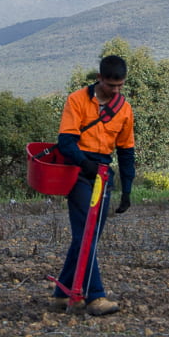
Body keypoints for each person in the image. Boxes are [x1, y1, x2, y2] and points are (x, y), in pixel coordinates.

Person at [49, 54, 136, 316]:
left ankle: (61, 294)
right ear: (99, 78)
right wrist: (85, 164)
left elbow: (126, 151)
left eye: (120, 86)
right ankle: (95, 297)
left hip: (103, 174)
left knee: (89, 236)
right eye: (111, 85)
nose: (115, 90)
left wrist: (128, 190)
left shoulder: (125, 109)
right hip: (77, 172)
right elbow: (65, 142)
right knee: (85, 234)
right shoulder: (76, 100)